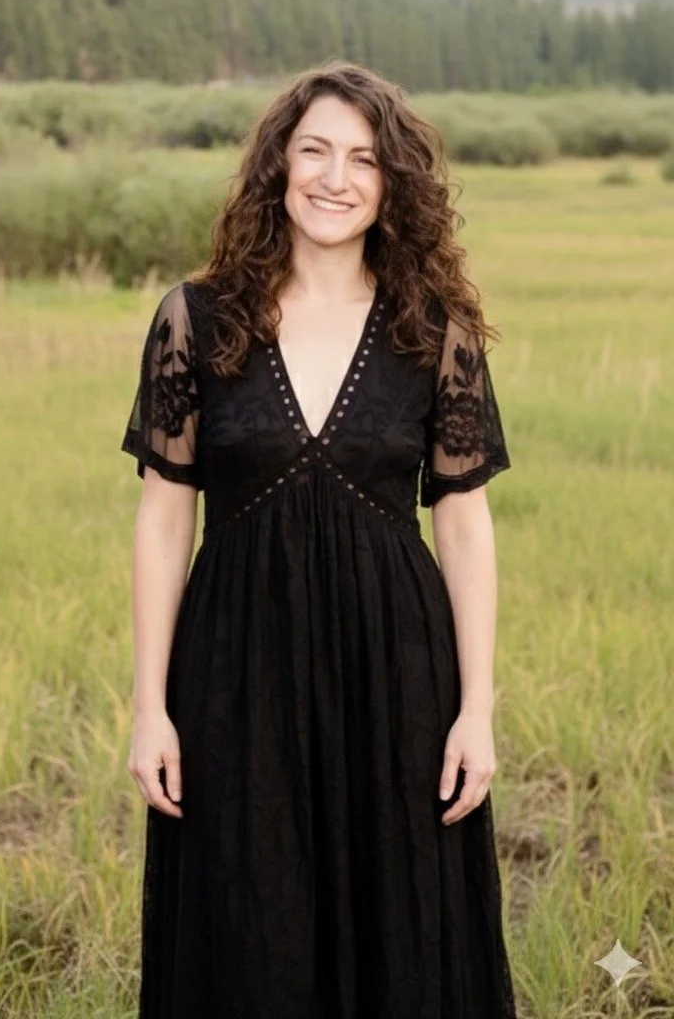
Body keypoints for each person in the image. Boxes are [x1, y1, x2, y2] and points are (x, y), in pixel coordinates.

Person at [121, 60, 517, 1018]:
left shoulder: (436, 329)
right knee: (247, 919)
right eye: (314, 152)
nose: (335, 178)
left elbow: (462, 522)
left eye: (363, 159)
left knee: (401, 925)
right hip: (233, 675)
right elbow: (165, 513)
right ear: (277, 166)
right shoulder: (196, 318)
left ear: (391, 186)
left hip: (396, 674)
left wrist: (476, 709)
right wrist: (148, 705)